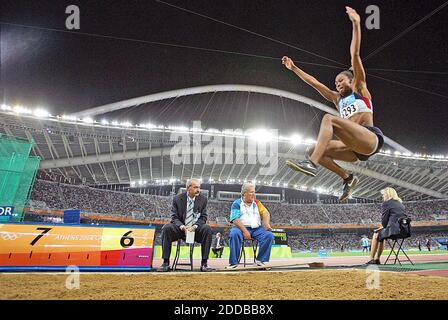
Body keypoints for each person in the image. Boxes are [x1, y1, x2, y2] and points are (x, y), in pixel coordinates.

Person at [282, 7, 384, 201]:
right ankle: (347, 178)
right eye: (336, 82)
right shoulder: (338, 100)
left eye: (341, 80)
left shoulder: (360, 90)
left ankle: (311, 164)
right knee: (313, 149)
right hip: (353, 148)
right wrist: (294, 68)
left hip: (370, 139)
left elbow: (355, 56)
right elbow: (315, 83)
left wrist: (356, 24)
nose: (337, 83)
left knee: (329, 119)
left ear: (351, 80)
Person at [159, 178, 214, 272]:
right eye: (196, 187)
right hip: (180, 229)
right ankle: (165, 263)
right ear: (188, 188)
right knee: (166, 228)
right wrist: (183, 227)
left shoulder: (203, 199)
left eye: (199, 187)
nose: (198, 190)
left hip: (195, 230)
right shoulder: (177, 199)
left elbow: (203, 217)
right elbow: (174, 217)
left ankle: (204, 263)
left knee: (207, 229)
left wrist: (194, 226)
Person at [226, 182, 275, 268]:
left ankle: (260, 260)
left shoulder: (257, 203)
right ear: (244, 193)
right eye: (251, 192)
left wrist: (266, 224)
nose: (253, 194)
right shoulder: (237, 203)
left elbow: (265, 213)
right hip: (240, 228)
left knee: (269, 235)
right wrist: (244, 231)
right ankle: (234, 262)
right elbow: (235, 219)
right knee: (234, 234)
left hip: (257, 229)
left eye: (254, 192)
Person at [366, 187, 408, 264]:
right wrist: (381, 228)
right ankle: (377, 259)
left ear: (388, 194)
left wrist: (380, 228)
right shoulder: (401, 204)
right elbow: (396, 220)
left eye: (384, 194)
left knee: (376, 234)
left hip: (394, 231)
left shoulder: (386, 203)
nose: (383, 196)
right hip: (405, 230)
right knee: (381, 235)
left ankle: (371, 258)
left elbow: (384, 223)